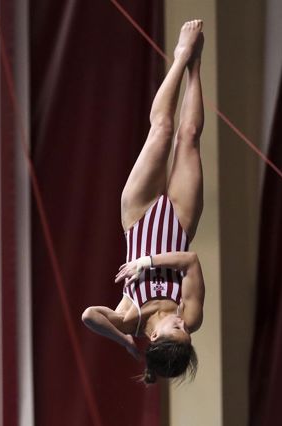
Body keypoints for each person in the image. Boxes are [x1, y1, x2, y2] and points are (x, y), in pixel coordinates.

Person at [81, 20, 206, 384]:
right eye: (186, 331)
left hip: (140, 216)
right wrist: (147, 262)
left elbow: (89, 316)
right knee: (189, 136)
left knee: (162, 130)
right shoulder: (191, 315)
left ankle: (180, 55)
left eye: (176, 329)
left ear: (154, 337)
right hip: (179, 223)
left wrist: (122, 338)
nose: (183, 324)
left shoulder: (129, 317)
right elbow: (190, 260)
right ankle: (195, 65)